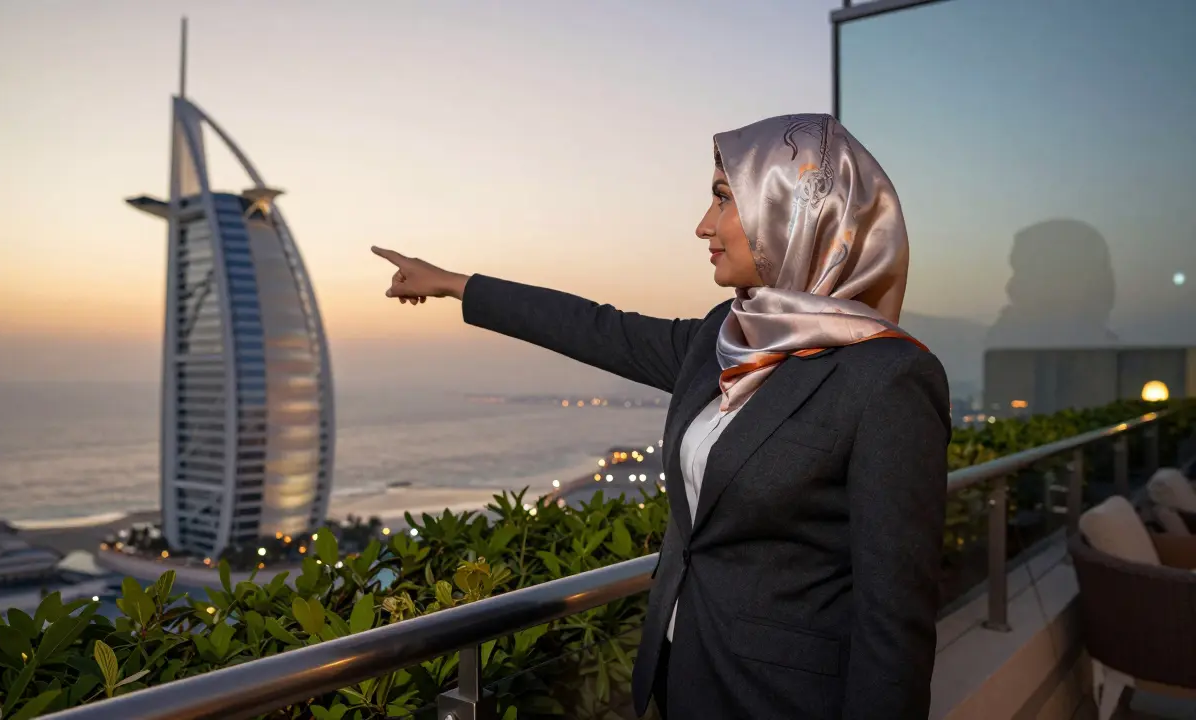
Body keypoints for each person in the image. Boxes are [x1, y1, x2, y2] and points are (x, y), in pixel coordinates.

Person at [372, 113, 950, 719]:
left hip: (788, 700)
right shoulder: (722, 338)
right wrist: (455, 284)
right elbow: (596, 328)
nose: (703, 226)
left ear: (795, 213)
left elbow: (896, 620)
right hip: (683, 674)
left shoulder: (886, 378)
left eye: (724, 199)